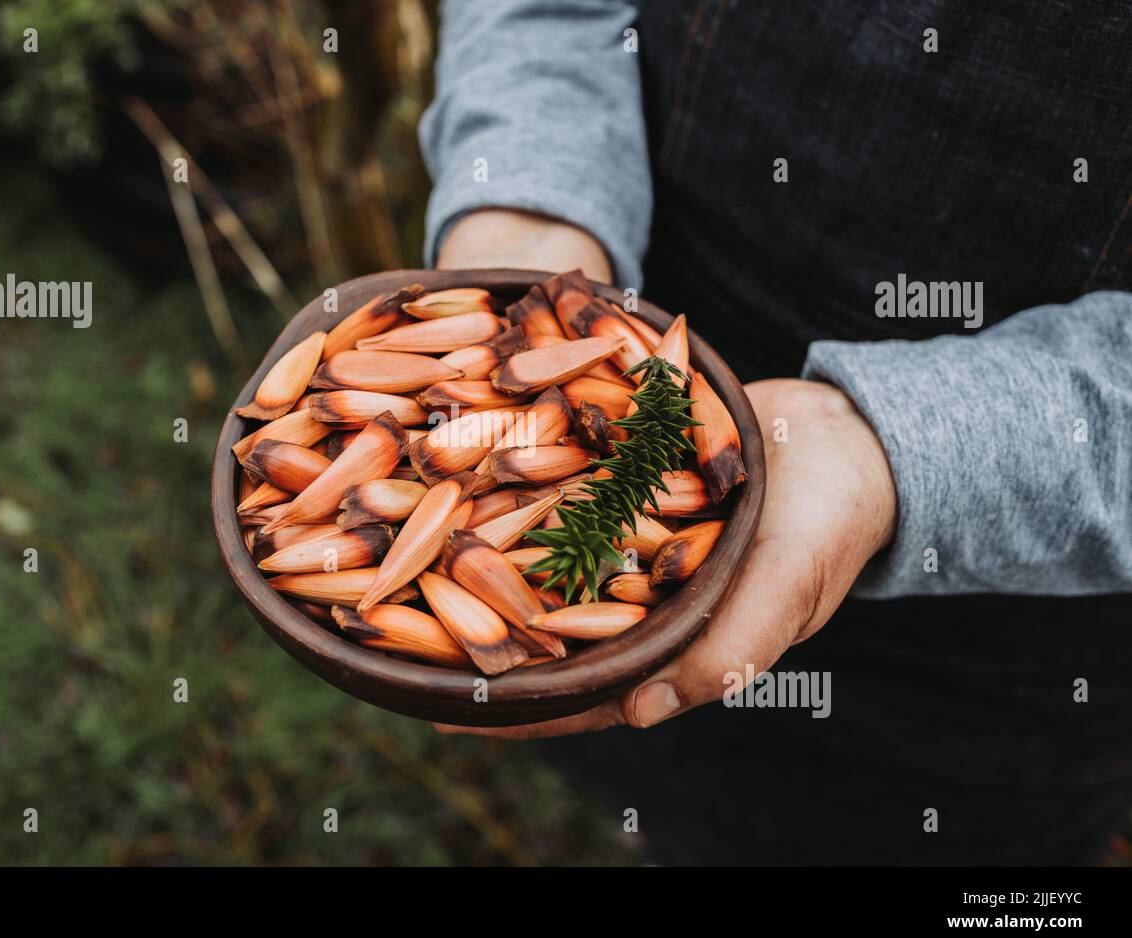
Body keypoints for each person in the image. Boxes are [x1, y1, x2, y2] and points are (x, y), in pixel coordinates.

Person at [418, 0, 1132, 864]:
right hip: (634, 351)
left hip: (1015, 599)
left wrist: (909, 445)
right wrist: (535, 217)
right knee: (648, 774)